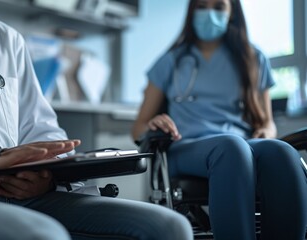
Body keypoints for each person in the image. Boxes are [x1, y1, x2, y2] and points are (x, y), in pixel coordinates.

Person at [0, 0, 195, 239]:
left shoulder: (7, 39)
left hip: (16, 193)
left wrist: (49, 174)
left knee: (169, 226)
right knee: (44, 236)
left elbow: (40, 129)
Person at [131, 0, 307, 239]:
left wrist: (266, 130)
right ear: (192, 10)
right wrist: (154, 124)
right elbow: (138, 128)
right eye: (202, 5)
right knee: (230, 147)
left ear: (232, 11)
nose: (209, 13)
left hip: (242, 143)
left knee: (282, 151)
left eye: (218, 6)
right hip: (186, 146)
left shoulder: (253, 59)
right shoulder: (171, 61)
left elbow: (267, 122)